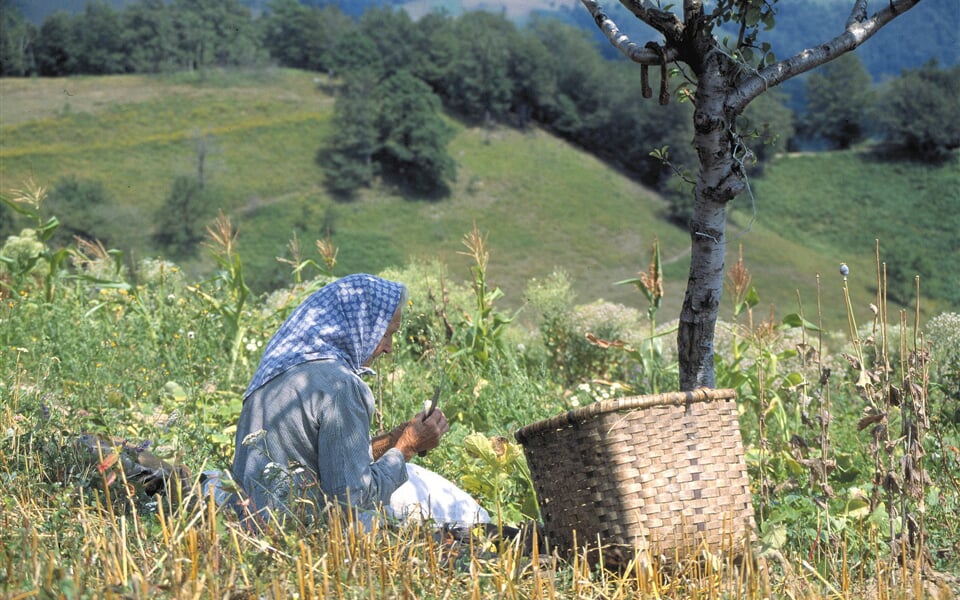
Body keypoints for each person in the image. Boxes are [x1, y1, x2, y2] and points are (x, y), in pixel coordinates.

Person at [231, 273, 490, 531]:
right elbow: (352, 504)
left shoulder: (276, 371)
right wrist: (408, 447)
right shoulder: (342, 386)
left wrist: (395, 439)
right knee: (439, 507)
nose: (388, 348)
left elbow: (333, 460)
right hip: (300, 532)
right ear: (360, 326)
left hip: (253, 522)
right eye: (386, 335)